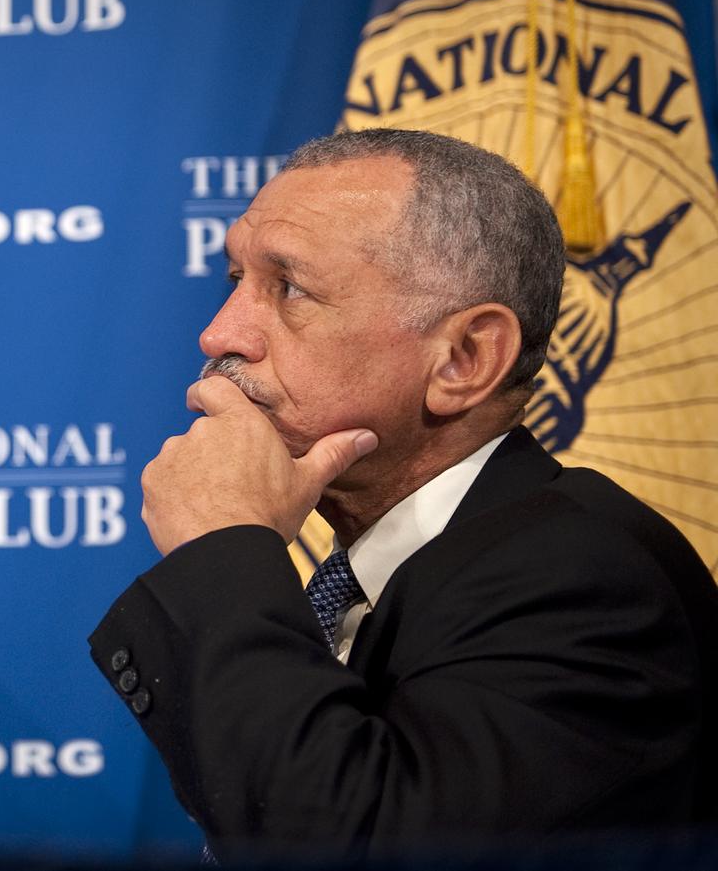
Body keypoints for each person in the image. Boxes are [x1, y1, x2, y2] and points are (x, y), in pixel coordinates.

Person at [88, 129, 718, 859]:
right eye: (236, 282)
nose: (219, 333)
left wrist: (222, 543)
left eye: (288, 288)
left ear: (464, 359)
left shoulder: (587, 578)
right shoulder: (387, 572)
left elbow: (355, 845)